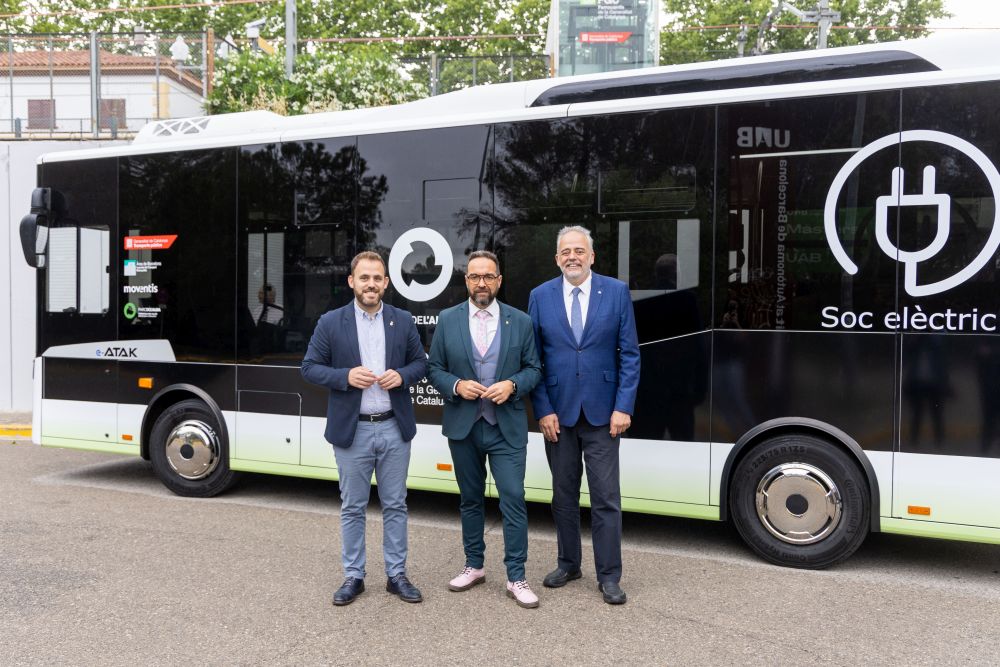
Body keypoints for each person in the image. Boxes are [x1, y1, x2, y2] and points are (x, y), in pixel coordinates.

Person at [301, 250, 427, 606]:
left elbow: (421, 364)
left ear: (386, 283)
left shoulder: (402, 320)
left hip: (393, 428)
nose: (371, 284)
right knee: (353, 507)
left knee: (396, 504)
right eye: (365, 277)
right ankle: (353, 576)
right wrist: (345, 376)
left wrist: (402, 375)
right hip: (352, 431)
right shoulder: (331, 322)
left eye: (377, 278)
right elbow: (309, 367)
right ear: (352, 281)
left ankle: (396, 575)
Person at [528, 226, 640, 605]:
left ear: (592, 256)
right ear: (557, 258)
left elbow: (630, 355)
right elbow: (533, 360)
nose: (572, 256)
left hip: (603, 414)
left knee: (606, 499)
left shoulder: (617, 292)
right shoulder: (539, 296)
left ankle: (609, 575)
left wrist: (623, 406)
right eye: (565, 251)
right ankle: (568, 563)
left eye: (579, 250)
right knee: (563, 496)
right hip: (557, 415)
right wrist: (542, 409)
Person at [427, 250, 542, 608]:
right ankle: (474, 565)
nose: (481, 282)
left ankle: (516, 576)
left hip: (505, 425)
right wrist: (456, 385)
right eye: (475, 276)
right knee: (470, 501)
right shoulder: (447, 319)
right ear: (466, 281)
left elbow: (534, 369)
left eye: (488, 276)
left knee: (513, 499)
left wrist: (512, 386)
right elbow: (434, 369)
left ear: (499, 281)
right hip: (464, 425)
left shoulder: (520, 321)